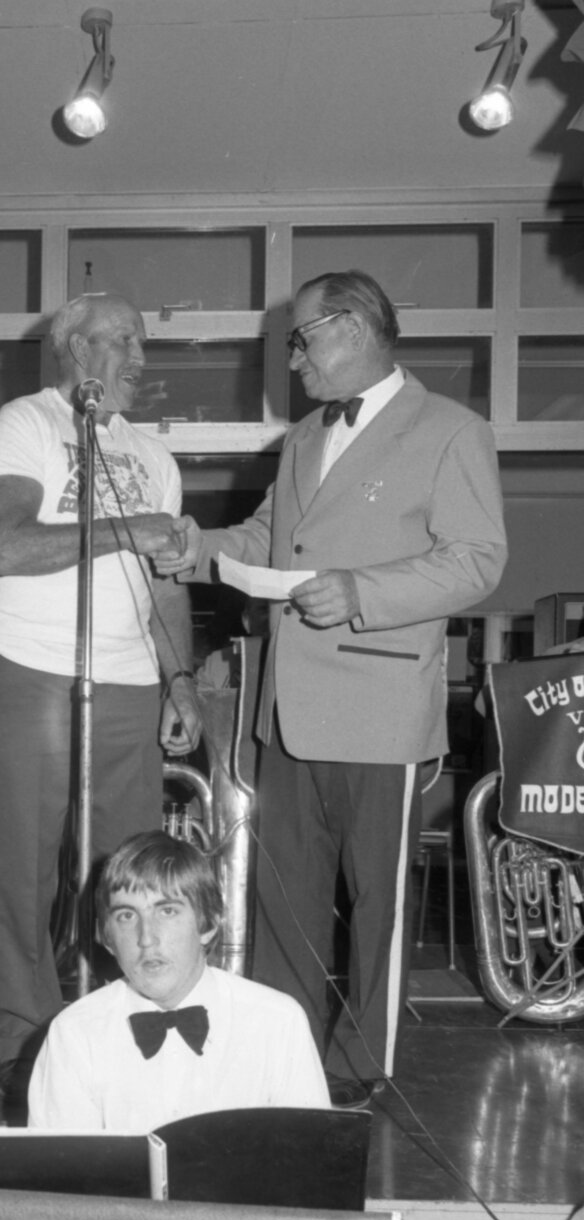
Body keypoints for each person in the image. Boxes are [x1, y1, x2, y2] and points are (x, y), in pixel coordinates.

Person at [157, 269, 507, 1109]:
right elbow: (270, 538)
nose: (295, 357)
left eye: (302, 337)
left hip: (381, 710)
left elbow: (478, 561)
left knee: (377, 911)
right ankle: (284, 1063)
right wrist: (198, 546)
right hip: (289, 710)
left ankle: (358, 1071)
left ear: (352, 328)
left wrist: (362, 591)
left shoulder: (451, 431)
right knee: (284, 904)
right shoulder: (303, 439)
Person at [0, 291, 202, 1108]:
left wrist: (181, 677)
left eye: (144, 341)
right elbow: (6, 544)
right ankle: (28, 1044)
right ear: (75, 347)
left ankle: (122, 1031)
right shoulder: (25, 425)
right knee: (28, 875)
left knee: (129, 878)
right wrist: (128, 526)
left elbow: (165, 580)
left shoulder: (153, 455)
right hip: (31, 674)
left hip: (134, 682)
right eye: (125, 339)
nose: (141, 356)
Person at [28, 830, 330, 1132]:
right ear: (106, 938)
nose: (146, 938)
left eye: (167, 911)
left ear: (209, 923)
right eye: (126, 916)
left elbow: (310, 1160)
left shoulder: (278, 1022)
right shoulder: (74, 1034)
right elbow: (66, 1173)